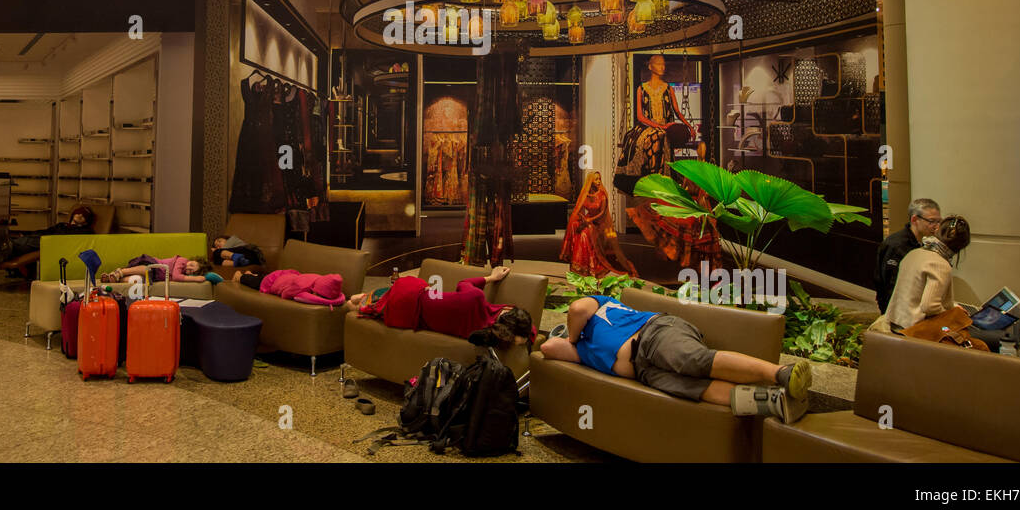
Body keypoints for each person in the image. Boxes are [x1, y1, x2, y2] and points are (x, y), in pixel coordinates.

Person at [541, 294, 811, 422]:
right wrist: (570, 341)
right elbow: (548, 349)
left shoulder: (599, 305)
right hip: (644, 372)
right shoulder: (582, 351)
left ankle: (781, 372)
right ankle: (775, 402)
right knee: (693, 389)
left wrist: (574, 336)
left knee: (692, 360)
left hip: (653, 334)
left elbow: (577, 309)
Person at [345, 266, 536, 351]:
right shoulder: (486, 334)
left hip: (411, 298)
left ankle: (356, 299)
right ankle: (361, 300)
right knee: (359, 305)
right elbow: (530, 334)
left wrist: (491, 278)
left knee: (353, 302)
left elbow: (464, 283)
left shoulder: (475, 298)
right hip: (411, 315)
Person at [873, 215, 971, 335]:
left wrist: (953, 306)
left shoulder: (914, 253)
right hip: (914, 330)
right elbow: (929, 306)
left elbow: (914, 295)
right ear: (961, 245)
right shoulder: (940, 264)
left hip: (895, 323)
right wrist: (951, 312)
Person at [560, 171, 638, 278]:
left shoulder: (602, 195)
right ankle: (579, 266)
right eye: (596, 179)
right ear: (590, 181)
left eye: (599, 179)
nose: (598, 181)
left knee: (584, 234)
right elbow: (578, 209)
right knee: (575, 226)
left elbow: (602, 213)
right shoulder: (585, 194)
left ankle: (590, 267)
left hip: (598, 223)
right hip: (588, 220)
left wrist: (590, 220)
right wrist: (582, 219)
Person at [874, 197, 941, 313]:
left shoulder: (922, 243)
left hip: (912, 309)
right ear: (915, 219)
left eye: (938, 221)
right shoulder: (896, 245)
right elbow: (889, 287)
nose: (936, 226)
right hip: (897, 313)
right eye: (931, 221)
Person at [0, 205, 95, 265]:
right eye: (78, 213)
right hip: (46, 240)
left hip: (56, 245)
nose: (80, 215)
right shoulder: (62, 225)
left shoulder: (86, 231)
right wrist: (27, 234)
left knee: (33, 241)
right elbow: (46, 231)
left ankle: (6, 247)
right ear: (73, 214)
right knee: (30, 240)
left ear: (86, 221)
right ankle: (7, 251)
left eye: (84, 216)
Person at [101, 255, 215, 284]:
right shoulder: (182, 260)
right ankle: (121, 272)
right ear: (194, 260)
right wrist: (196, 279)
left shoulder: (183, 273)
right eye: (192, 264)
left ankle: (114, 279)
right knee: (147, 269)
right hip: (151, 264)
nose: (188, 267)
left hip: (152, 276)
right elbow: (176, 276)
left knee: (139, 280)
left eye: (191, 271)